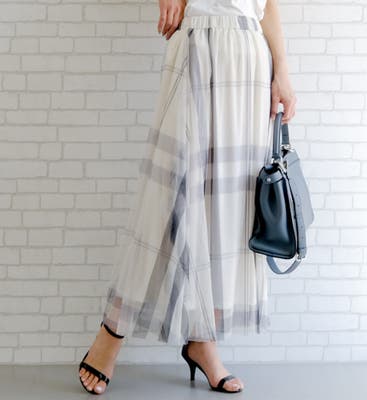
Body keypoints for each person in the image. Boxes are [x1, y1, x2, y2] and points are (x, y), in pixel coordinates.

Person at [78, 0, 296, 395]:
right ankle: (113, 330)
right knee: (166, 197)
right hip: (197, 42)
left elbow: (267, 4)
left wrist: (281, 69)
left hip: (249, 56)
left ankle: (203, 340)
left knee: (228, 209)